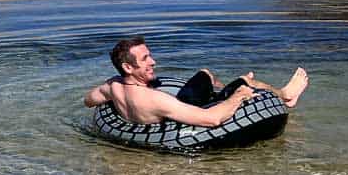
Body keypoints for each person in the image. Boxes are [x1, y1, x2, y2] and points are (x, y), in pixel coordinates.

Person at [83, 35, 308, 127]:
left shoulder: (113, 87)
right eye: (145, 59)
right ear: (128, 67)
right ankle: (285, 95)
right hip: (188, 117)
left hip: (175, 107)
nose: (153, 61)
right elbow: (212, 120)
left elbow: (88, 101)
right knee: (243, 82)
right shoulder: (154, 99)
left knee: (205, 74)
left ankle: (216, 88)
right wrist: (238, 95)